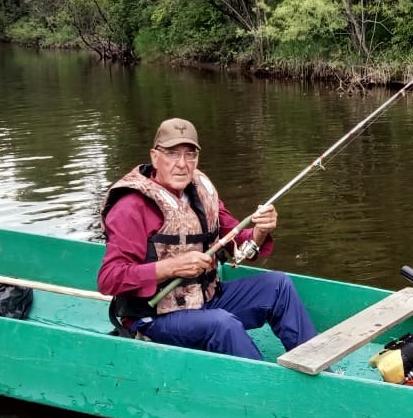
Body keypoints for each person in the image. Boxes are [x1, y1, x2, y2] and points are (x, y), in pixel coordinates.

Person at [97, 118, 317, 360]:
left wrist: (259, 232)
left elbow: (235, 240)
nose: (182, 164)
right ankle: (264, 391)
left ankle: (316, 371)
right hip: (155, 318)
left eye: (190, 154)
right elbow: (109, 279)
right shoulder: (131, 207)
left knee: (279, 286)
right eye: (172, 154)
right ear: (154, 156)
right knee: (223, 325)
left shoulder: (201, 191)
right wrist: (171, 267)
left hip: (207, 299)